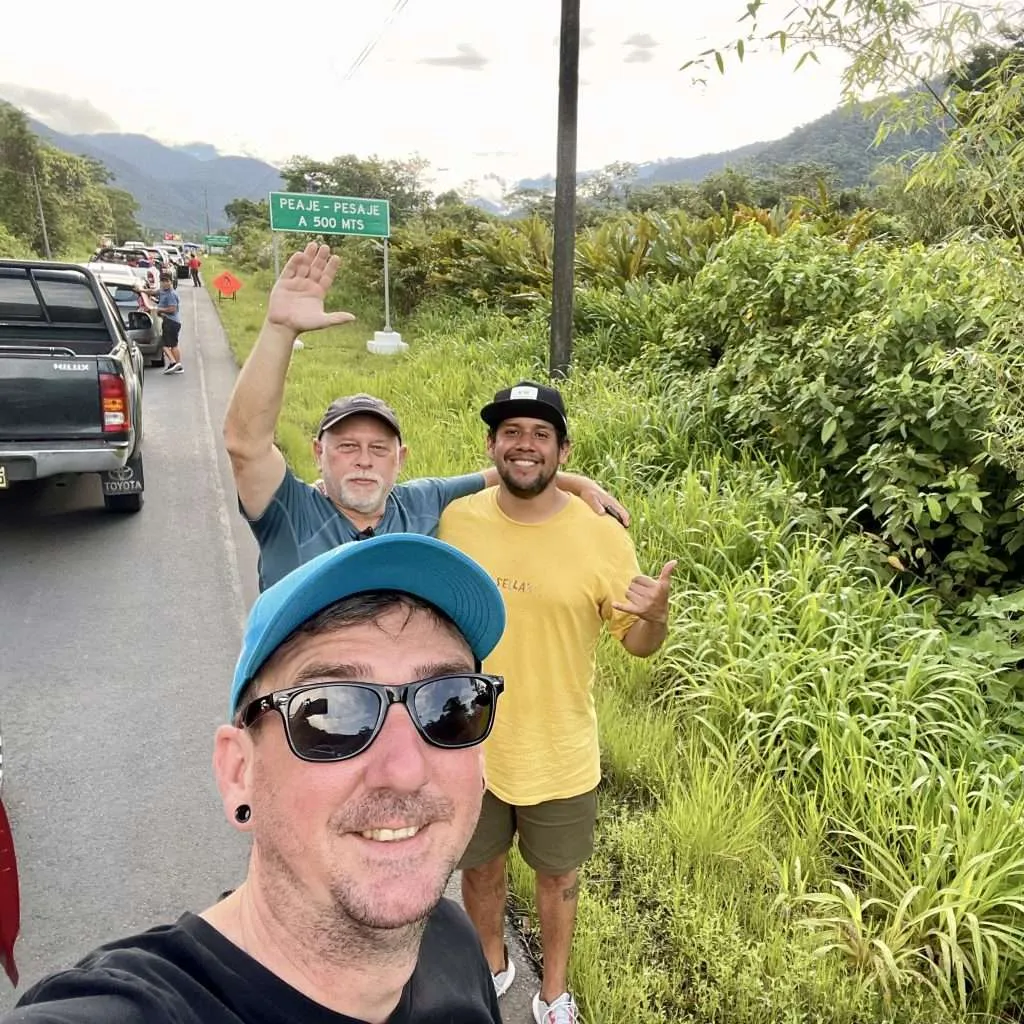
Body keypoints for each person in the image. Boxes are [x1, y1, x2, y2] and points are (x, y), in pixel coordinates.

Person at [4, 532, 508, 1023]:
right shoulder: (137, 1007)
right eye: (330, 715)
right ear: (238, 772)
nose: (404, 770)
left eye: (448, 706)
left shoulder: (452, 940)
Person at [438, 381, 676, 1024]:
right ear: (491, 445)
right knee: (481, 869)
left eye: (541, 433)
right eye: (511, 432)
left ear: (563, 449)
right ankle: (490, 965)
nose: (525, 445)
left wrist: (657, 615)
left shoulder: (600, 537)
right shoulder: (453, 518)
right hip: (468, 740)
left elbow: (640, 644)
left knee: (558, 879)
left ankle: (553, 993)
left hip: (561, 747)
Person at [223, 242, 630, 592]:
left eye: (379, 448)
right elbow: (246, 443)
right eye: (347, 446)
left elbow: (502, 473)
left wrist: (576, 483)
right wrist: (279, 329)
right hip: (307, 687)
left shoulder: (421, 502)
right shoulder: (290, 512)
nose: (364, 459)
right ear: (318, 452)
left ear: (401, 458)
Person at [154, 271, 184, 374]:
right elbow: (153, 292)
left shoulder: (171, 294)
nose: (164, 283)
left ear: (171, 282)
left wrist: (160, 310)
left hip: (171, 322)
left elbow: (172, 309)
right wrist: (141, 290)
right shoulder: (163, 291)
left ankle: (173, 362)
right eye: (162, 281)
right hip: (172, 322)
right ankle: (178, 366)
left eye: (167, 281)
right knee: (173, 345)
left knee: (164, 344)